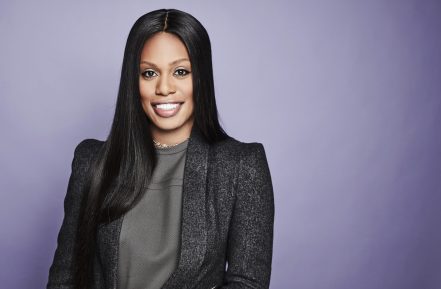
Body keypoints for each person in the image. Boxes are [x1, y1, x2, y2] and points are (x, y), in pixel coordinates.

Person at [46, 8, 274, 289]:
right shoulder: (92, 161)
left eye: (181, 71)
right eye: (149, 72)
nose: (164, 87)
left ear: (201, 77)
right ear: (134, 81)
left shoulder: (241, 166)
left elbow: (248, 283)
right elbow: (64, 279)